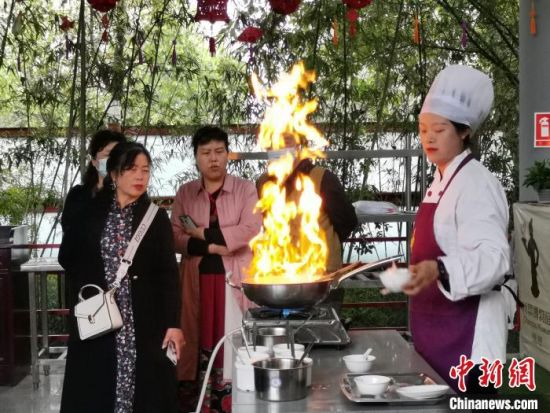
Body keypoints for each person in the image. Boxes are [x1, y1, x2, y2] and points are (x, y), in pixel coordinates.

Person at [403, 65, 510, 394]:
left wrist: (438, 268)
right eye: (423, 130)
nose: (429, 138)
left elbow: (495, 260)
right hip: (436, 336)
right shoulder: (441, 179)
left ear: (463, 132)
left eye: (439, 129)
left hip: (470, 344)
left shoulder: (476, 182)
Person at [59, 142, 184, 413]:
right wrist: (91, 288)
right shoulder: (89, 212)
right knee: (95, 387)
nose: (140, 176)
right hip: (100, 316)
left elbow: (168, 275)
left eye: (145, 170)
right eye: (131, 169)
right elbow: (67, 257)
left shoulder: (156, 217)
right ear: (114, 174)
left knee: (145, 389)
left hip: (143, 320)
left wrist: (174, 324)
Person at [172, 126, 262, 412]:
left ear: (228, 155)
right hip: (196, 279)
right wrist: (213, 245)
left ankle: (231, 402)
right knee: (195, 336)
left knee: (232, 337)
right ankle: (198, 403)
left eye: (219, 152)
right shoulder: (186, 192)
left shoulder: (245, 189)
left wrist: (199, 232)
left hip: (232, 278)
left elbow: (251, 228)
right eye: (206, 153)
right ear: (196, 157)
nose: (213, 159)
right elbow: (175, 236)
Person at [256, 134, 358, 311]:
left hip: (320, 277)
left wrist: (326, 242)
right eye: (274, 144)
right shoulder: (263, 183)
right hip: (278, 279)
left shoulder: (322, 178)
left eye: (287, 143)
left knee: (322, 332)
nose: (280, 149)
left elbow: (347, 221)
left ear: (300, 147)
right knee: (282, 334)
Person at [61, 129, 126, 234]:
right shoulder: (77, 195)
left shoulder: (130, 196)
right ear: (94, 161)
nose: (113, 160)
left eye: (118, 156)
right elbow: (69, 231)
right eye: (108, 155)